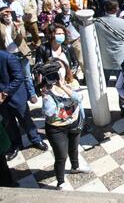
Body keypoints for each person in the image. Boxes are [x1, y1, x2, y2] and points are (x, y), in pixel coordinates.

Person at [0, 38, 47, 161]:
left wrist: (4, 93)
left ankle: (35, 139)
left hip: (15, 97)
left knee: (25, 120)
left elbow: (18, 77)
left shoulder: (6, 57)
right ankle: (16, 145)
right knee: (9, 124)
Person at [37, 60, 90, 190]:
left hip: (74, 123)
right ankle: (60, 182)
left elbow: (78, 98)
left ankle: (75, 167)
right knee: (61, 156)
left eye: (59, 69)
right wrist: (45, 95)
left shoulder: (73, 83)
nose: (56, 75)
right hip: (56, 128)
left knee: (74, 148)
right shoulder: (47, 89)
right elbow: (49, 113)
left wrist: (62, 87)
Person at [95, 0, 124, 85]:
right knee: (123, 87)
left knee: (101, 86)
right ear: (117, 9)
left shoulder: (96, 22)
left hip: (103, 60)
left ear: (104, 8)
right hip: (121, 60)